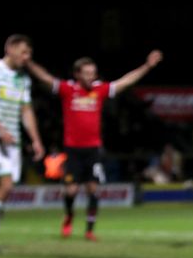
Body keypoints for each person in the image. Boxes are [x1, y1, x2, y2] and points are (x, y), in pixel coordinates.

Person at [26, 50, 163, 240]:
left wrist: (147, 66)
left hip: (93, 150)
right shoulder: (68, 89)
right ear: (77, 74)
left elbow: (126, 81)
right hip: (73, 150)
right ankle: (69, 215)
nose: (91, 77)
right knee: (71, 190)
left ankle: (89, 230)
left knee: (93, 189)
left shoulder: (99, 90)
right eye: (87, 73)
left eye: (93, 73)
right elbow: (46, 78)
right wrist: (28, 62)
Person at [0, 34, 45, 254]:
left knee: (3, 189)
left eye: (29, 53)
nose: (27, 57)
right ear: (10, 48)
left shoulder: (23, 79)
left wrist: (36, 139)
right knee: (5, 184)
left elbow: (26, 111)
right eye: (23, 52)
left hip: (14, 141)